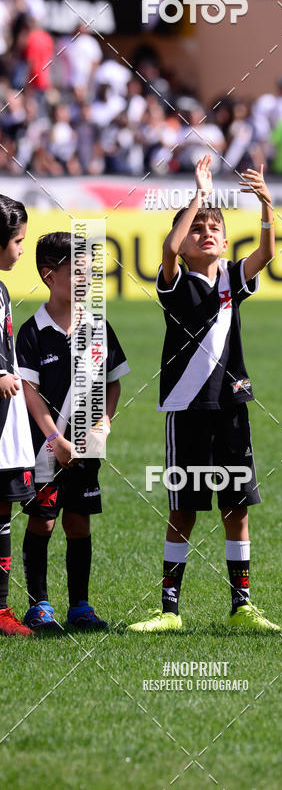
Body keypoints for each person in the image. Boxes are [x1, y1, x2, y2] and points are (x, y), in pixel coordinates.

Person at [127, 155, 280, 633]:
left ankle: (242, 606)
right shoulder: (174, 281)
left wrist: (266, 207)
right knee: (183, 510)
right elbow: (170, 250)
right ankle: (169, 609)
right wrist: (198, 195)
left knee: (237, 509)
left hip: (231, 407)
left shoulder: (233, 277)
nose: (206, 233)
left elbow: (267, 255)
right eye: (198, 229)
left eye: (214, 227)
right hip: (186, 408)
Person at [16, 232, 130, 631]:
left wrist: (106, 421)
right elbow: (28, 392)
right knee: (43, 521)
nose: (86, 279)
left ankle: (80, 606)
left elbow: (114, 381)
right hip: (46, 450)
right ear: (49, 275)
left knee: (79, 521)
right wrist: (54, 438)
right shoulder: (31, 332)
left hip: (85, 449)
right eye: (77, 271)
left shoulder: (98, 327)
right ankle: (39, 605)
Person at [0, 195, 35, 635]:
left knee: (3, 513)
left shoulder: (3, 289)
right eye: (18, 241)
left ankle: (2, 608)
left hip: (6, 422)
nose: (21, 250)